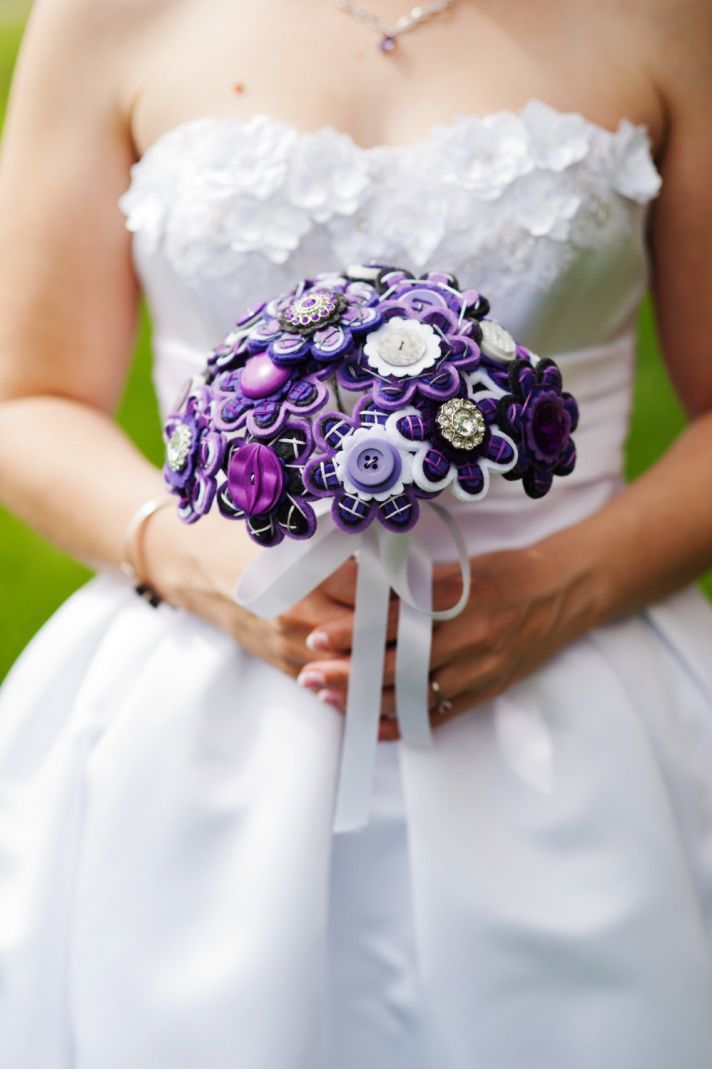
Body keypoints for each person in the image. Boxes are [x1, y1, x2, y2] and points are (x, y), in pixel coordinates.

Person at [1, 0, 711, 1065]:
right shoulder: (104, 14)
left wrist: (561, 589)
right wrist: (210, 568)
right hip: (202, 710)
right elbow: (29, 398)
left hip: (580, 699)